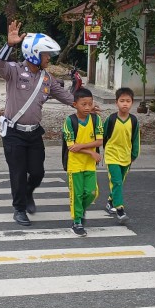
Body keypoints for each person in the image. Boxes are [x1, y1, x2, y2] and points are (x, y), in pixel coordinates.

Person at [0, 20, 85, 226]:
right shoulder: (14, 71)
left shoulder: (47, 79)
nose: (49, 58)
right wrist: (9, 45)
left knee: (37, 172)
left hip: (34, 133)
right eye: (46, 54)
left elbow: (65, 96)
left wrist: (83, 105)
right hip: (13, 133)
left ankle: (28, 193)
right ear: (34, 53)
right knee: (18, 173)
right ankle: (19, 209)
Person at [63, 87, 104, 237]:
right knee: (77, 193)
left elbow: (99, 141)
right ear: (75, 105)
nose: (87, 107)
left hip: (89, 164)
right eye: (83, 104)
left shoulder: (96, 119)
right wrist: (89, 151)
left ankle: (79, 211)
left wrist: (81, 146)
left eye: (90, 104)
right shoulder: (69, 121)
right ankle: (77, 221)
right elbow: (71, 147)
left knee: (92, 192)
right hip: (75, 165)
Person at [102, 87, 141, 223]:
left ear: (132, 103)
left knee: (119, 183)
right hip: (112, 155)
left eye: (128, 101)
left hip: (126, 157)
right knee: (117, 181)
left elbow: (136, 139)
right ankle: (120, 210)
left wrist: (134, 155)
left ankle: (110, 202)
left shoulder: (134, 121)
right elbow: (103, 136)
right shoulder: (111, 119)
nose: (125, 103)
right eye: (122, 100)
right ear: (116, 102)